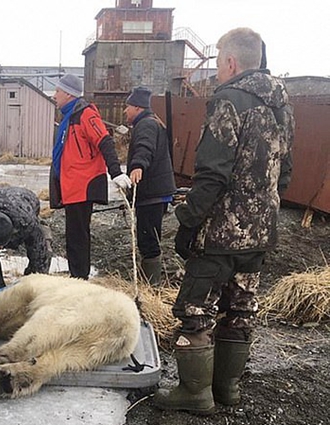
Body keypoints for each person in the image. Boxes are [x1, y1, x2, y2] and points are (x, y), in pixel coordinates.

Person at [153, 28, 294, 415]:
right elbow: (285, 172)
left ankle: (195, 393)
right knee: (240, 308)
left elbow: (212, 173)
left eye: (218, 62)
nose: (216, 70)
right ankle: (227, 388)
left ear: (231, 62)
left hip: (220, 234)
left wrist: (188, 221)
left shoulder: (228, 100)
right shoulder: (282, 105)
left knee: (195, 310)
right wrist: (263, 212)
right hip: (261, 233)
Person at [49, 73, 132, 280]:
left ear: (68, 94)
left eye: (57, 91)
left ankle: (79, 279)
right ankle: (78, 277)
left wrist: (116, 172)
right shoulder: (69, 116)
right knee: (74, 235)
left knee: (77, 236)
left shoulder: (86, 114)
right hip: (71, 185)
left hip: (82, 184)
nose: (54, 95)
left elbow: (105, 141)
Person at [123, 86, 176, 285]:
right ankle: (149, 282)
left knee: (148, 240)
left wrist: (137, 166)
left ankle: (151, 287)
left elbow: (145, 147)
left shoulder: (145, 125)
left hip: (151, 192)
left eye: (127, 107)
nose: (125, 111)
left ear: (137, 107)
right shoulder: (153, 122)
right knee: (150, 237)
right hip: (156, 191)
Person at [0, 186, 51, 290]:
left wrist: (31, 287)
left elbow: (39, 257)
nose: (1, 248)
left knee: (41, 253)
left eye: (2, 245)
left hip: (27, 200)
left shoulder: (27, 223)